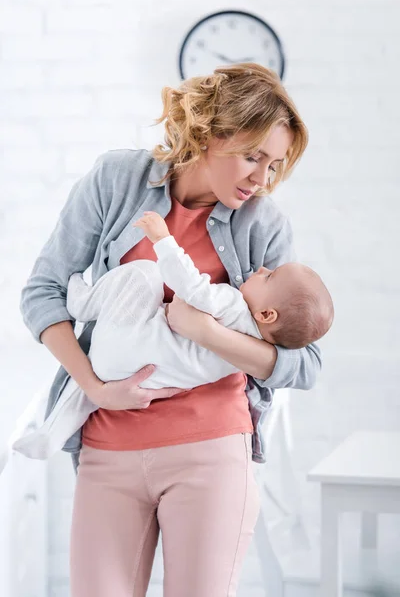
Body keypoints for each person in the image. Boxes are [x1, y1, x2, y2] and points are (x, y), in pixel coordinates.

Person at [19, 63, 323, 597]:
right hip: (109, 444)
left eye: (273, 165)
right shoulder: (117, 180)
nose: (261, 180)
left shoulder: (264, 226)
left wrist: (207, 333)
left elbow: (304, 363)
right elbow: (42, 293)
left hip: (211, 448)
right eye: (253, 157)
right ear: (208, 132)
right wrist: (94, 388)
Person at [13, 211, 333, 461]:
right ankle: (50, 434)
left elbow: (189, 285)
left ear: (266, 314)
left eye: (270, 276)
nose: (261, 269)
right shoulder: (250, 351)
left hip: (124, 348)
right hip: (143, 378)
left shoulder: (234, 308)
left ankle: (82, 302)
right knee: (92, 381)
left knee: (146, 274)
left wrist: (163, 240)